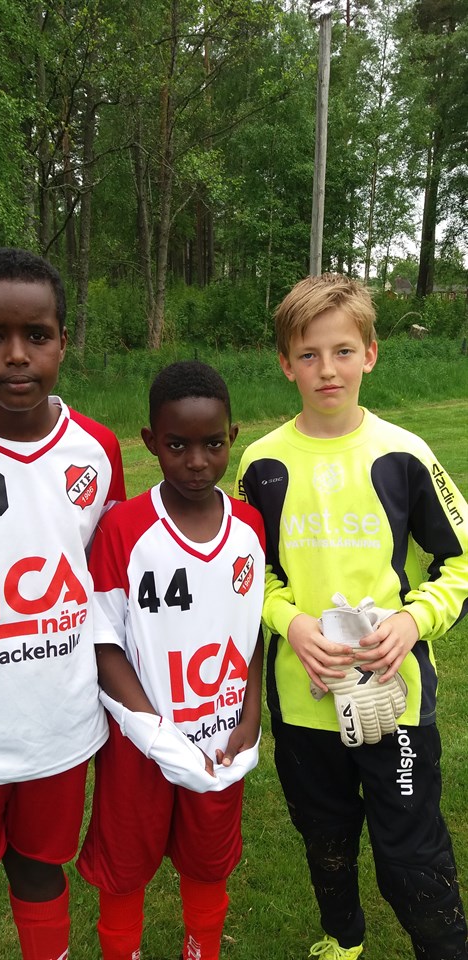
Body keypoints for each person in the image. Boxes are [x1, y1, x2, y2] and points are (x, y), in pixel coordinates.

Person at [235, 273, 468, 960]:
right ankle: (343, 938)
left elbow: (459, 561)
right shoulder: (261, 463)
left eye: (342, 351)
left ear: (370, 353)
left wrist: (414, 621)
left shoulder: (405, 455)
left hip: (394, 699)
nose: (327, 369)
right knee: (325, 836)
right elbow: (247, 575)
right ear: (286, 364)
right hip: (304, 703)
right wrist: (290, 622)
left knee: (411, 854)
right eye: (308, 354)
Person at [0, 247, 125, 960]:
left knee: (42, 871)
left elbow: (108, 588)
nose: (17, 355)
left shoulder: (97, 449)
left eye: (36, 335)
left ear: (63, 341)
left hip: (59, 727)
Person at [77, 360, 266, 960]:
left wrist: (251, 716)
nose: (197, 462)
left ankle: (200, 949)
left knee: (209, 864)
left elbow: (252, 631)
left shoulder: (250, 527)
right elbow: (102, 642)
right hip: (140, 746)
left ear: (232, 437)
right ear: (150, 441)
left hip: (219, 739)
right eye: (177, 445)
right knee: (124, 871)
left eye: (213, 444)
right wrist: (156, 737)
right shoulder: (124, 529)